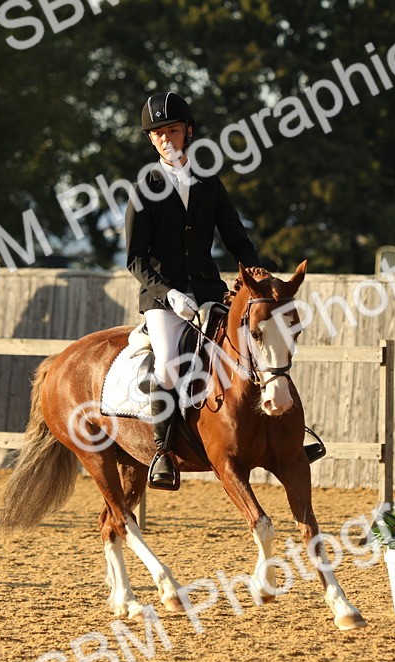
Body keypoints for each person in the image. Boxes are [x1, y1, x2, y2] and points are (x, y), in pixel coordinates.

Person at [125, 92, 259, 490]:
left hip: (206, 291)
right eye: (158, 133)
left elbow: (236, 237)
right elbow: (135, 259)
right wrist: (169, 295)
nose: (166, 138)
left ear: (188, 132)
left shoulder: (209, 183)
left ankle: (276, 438)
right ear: (152, 140)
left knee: (250, 348)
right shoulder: (144, 186)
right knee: (167, 364)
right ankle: (163, 452)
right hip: (163, 300)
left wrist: (255, 270)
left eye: (173, 130)